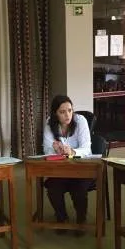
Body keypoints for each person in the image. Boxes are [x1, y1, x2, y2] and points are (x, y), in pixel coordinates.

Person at [42, 95, 92, 232]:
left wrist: (73, 151)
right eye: (62, 112)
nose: (67, 115)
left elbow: (87, 149)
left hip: (82, 168)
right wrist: (55, 149)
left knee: (79, 189)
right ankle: (62, 218)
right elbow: (46, 150)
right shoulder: (50, 123)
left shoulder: (80, 121)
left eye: (70, 110)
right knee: (53, 188)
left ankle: (81, 220)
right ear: (55, 114)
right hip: (61, 169)